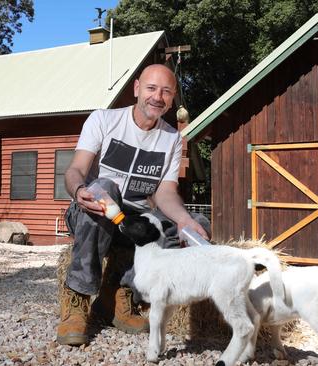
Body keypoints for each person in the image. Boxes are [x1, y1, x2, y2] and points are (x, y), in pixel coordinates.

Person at [57, 64, 210, 346]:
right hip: (94, 210)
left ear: (173, 97)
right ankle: (76, 298)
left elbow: (165, 193)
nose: (157, 97)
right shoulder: (103, 120)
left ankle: (116, 294)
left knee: (195, 226)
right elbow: (75, 169)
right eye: (151, 88)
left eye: (166, 92)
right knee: (105, 188)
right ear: (137, 89)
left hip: (135, 220)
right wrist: (79, 190)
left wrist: (184, 220)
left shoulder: (172, 138)